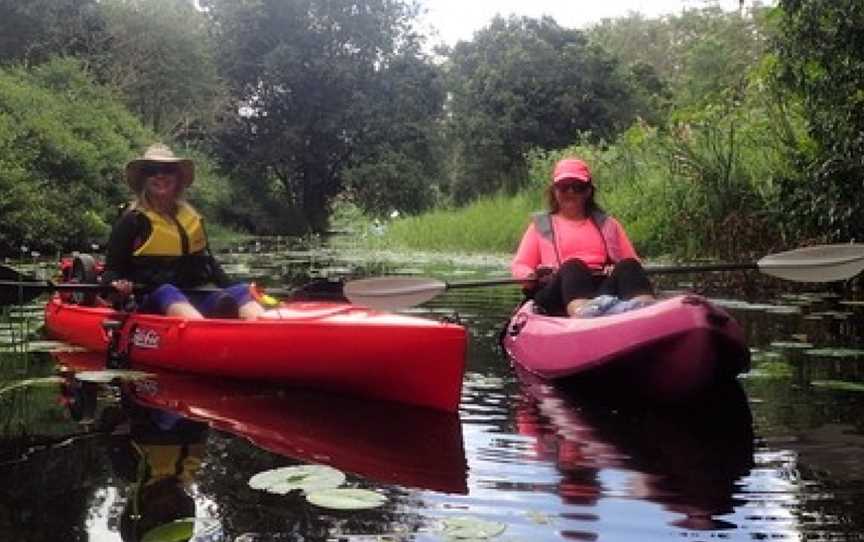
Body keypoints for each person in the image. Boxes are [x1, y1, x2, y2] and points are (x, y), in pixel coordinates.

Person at [102, 143, 265, 320]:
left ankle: (266, 331)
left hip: (195, 295)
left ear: (178, 178)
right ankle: (204, 334)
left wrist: (239, 289)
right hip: (151, 299)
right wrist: (117, 285)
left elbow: (209, 265)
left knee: (241, 291)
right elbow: (112, 270)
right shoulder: (132, 221)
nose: (160, 175)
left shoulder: (192, 219)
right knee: (167, 291)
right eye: (152, 170)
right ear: (143, 179)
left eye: (167, 169)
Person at [511, 157, 655, 317]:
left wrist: (615, 267)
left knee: (629, 266)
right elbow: (521, 265)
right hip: (557, 292)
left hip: (600, 292)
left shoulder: (609, 224)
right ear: (555, 191)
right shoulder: (540, 226)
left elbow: (633, 261)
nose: (570, 192)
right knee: (573, 266)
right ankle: (583, 314)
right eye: (564, 187)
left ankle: (646, 310)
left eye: (577, 187)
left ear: (588, 191)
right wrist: (529, 276)